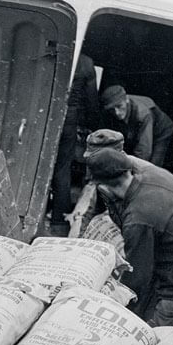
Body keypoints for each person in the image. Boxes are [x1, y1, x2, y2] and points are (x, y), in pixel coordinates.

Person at [85, 147, 173, 326]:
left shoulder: (138, 218)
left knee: (154, 338)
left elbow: (137, 278)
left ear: (103, 186)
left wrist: (114, 306)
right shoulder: (154, 174)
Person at [50, 53, 100, 235]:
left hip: (46, 113)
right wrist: (93, 127)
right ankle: (58, 223)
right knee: (63, 169)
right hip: (69, 119)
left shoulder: (56, 51)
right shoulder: (86, 62)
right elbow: (92, 101)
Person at [100, 85, 173, 166]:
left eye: (119, 106)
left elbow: (143, 152)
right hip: (136, 129)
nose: (116, 113)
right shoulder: (108, 112)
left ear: (127, 100)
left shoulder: (143, 113)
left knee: (153, 165)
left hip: (160, 131)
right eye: (112, 109)